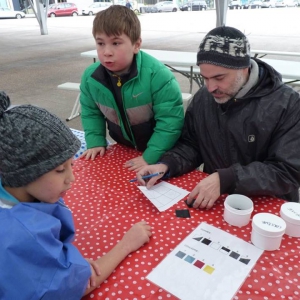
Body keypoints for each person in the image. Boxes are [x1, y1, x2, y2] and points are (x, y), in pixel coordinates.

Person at [0, 91, 152, 299]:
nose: (72, 178)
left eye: (72, 165)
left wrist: (63, 263)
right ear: (24, 172)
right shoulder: (22, 235)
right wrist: (126, 244)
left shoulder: (15, 189)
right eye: (60, 170)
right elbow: (75, 286)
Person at [136, 26, 300, 209]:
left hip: (270, 209)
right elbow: (192, 144)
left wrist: (227, 179)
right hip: (216, 200)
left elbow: (289, 171)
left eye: (219, 78)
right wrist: (167, 164)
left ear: (244, 68)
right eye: (205, 78)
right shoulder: (204, 98)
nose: (210, 87)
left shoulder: (288, 104)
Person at [79, 5, 184, 172]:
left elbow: (170, 122)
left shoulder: (158, 76)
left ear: (136, 45)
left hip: (162, 151)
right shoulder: (91, 78)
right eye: (100, 43)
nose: (106, 52)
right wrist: (96, 141)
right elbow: (91, 112)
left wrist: (150, 156)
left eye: (116, 43)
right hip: (124, 147)